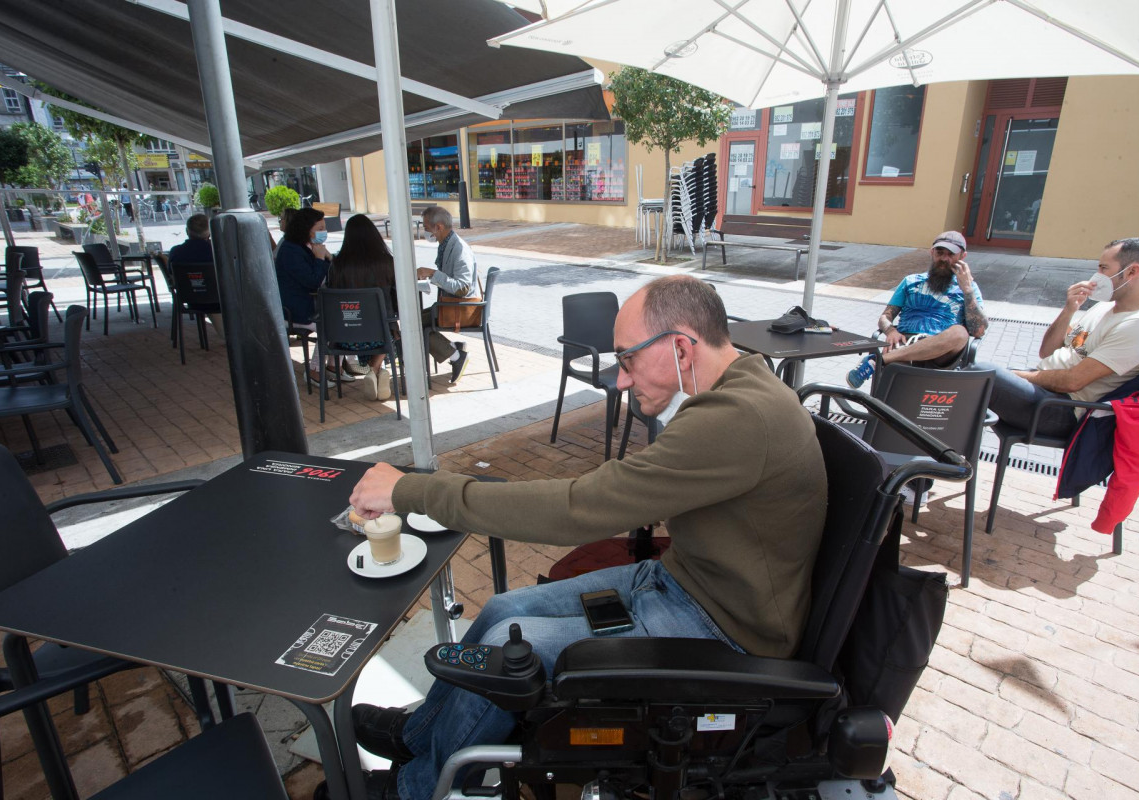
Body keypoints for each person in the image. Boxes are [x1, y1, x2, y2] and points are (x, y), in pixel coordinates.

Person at [336, 275, 829, 800]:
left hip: (723, 629)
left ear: (681, 347)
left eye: (628, 359)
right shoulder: (743, 384)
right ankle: (422, 739)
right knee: (502, 611)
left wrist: (414, 491)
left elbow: (579, 509)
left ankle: (415, 788)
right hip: (682, 583)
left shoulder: (739, 419)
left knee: (509, 650)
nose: (619, 381)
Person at [977, 237, 1139, 439]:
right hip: (1045, 390)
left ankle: (952, 462)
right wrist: (1070, 309)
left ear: (1131, 272)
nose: (1097, 276)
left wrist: (1015, 375)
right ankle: (953, 457)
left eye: (1104, 268)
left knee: (980, 376)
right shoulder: (1106, 307)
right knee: (968, 379)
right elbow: (1048, 352)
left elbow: (1073, 381)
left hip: (1065, 408)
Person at [847, 230, 988, 387]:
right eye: (940, 253)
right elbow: (885, 317)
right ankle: (886, 364)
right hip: (907, 341)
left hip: (942, 352)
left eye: (951, 254)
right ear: (932, 252)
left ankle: (878, 361)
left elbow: (978, 331)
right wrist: (891, 331)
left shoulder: (970, 288)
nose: (944, 259)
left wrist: (967, 290)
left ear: (962, 256)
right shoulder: (911, 281)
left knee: (960, 333)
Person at [327, 213, 400, 401]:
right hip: (380, 336)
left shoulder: (337, 264)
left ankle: (375, 371)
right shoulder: (387, 262)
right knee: (391, 329)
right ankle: (375, 370)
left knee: (371, 324)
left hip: (345, 337)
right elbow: (398, 300)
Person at [275, 206, 345, 385]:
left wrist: (328, 257)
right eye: (320, 229)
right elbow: (312, 281)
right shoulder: (291, 251)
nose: (324, 232)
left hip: (311, 304)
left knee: (345, 318)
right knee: (332, 325)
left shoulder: (308, 247)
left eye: (324, 228)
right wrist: (320, 259)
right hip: (296, 310)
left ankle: (333, 367)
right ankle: (315, 370)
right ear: (306, 229)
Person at [417, 206, 475, 384]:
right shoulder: (446, 244)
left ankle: (456, 356)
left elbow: (462, 287)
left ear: (439, 227)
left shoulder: (458, 249)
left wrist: (433, 274)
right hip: (450, 304)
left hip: (462, 308)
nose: (425, 232)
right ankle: (453, 348)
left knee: (416, 326)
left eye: (427, 228)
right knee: (415, 319)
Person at [167, 213, 223, 336]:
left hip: (191, 301)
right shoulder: (218, 251)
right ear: (209, 232)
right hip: (220, 301)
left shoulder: (176, 252)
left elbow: (171, 275)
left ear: (187, 231)